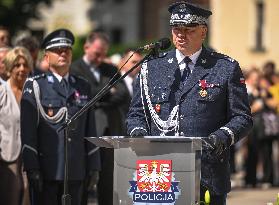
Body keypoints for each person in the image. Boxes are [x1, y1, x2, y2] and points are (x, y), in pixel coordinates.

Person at [126, 2, 253, 205]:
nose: (181, 35)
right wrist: (139, 134)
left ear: (203, 32)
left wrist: (221, 137)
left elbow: (242, 117)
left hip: (207, 170)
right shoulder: (152, 68)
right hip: (158, 170)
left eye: (189, 30)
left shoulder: (224, 67)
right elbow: (136, 113)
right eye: (177, 29)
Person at [20, 28, 100, 205]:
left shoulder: (83, 86)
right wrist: (32, 166)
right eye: (57, 50)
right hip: (47, 169)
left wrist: (94, 165)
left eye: (67, 50)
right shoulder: (35, 86)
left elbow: (90, 128)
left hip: (76, 169)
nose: (63, 53)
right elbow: (28, 132)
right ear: (47, 57)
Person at [70, 31, 129, 205]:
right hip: (85, 132)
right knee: (83, 179)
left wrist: (99, 101)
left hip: (108, 131)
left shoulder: (109, 69)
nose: (100, 58)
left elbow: (123, 94)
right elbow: (82, 94)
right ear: (87, 47)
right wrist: (107, 90)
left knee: (107, 179)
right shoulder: (75, 68)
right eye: (97, 53)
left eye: (103, 54)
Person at [0, 47, 33, 205]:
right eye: (16, 65)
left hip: (30, 157)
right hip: (6, 157)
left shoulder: (33, 93)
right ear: (8, 68)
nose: (22, 69)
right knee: (10, 198)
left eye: (25, 65)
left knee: (27, 198)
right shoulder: (1, 92)